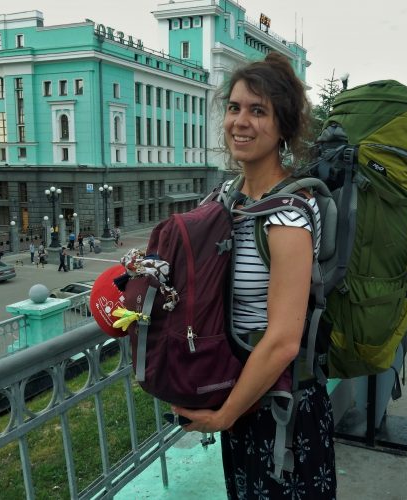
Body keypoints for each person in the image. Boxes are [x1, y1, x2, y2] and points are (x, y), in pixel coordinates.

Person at [172, 53, 336, 498]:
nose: (240, 122)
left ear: (282, 126)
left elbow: (283, 340)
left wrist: (225, 415)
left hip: (283, 407)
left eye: (258, 111)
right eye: (235, 107)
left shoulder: (287, 218)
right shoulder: (226, 196)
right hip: (240, 393)